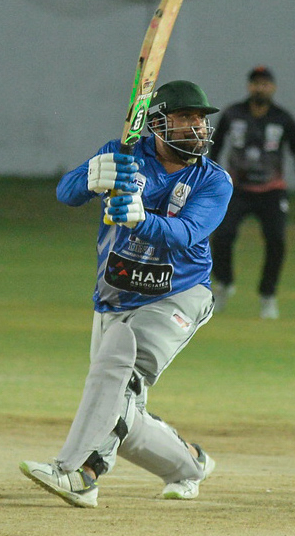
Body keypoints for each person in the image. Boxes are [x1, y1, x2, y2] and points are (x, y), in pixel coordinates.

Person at [20, 80, 232, 508]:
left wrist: (140, 218)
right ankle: (188, 465)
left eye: (201, 119)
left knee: (120, 369)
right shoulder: (123, 154)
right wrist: (91, 178)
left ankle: (78, 473)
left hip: (179, 293)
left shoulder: (214, 181)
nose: (197, 126)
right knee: (118, 405)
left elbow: (187, 233)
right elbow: (66, 193)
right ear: (158, 122)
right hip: (116, 294)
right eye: (186, 117)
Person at [208, 66, 295, 320]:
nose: (260, 88)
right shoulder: (233, 114)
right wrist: (209, 180)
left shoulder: (283, 118)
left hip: (272, 191)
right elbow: (215, 146)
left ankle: (268, 295)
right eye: (256, 83)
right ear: (249, 86)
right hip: (237, 188)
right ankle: (224, 282)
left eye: (265, 83)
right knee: (221, 235)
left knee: (276, 241)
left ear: (273, 87)